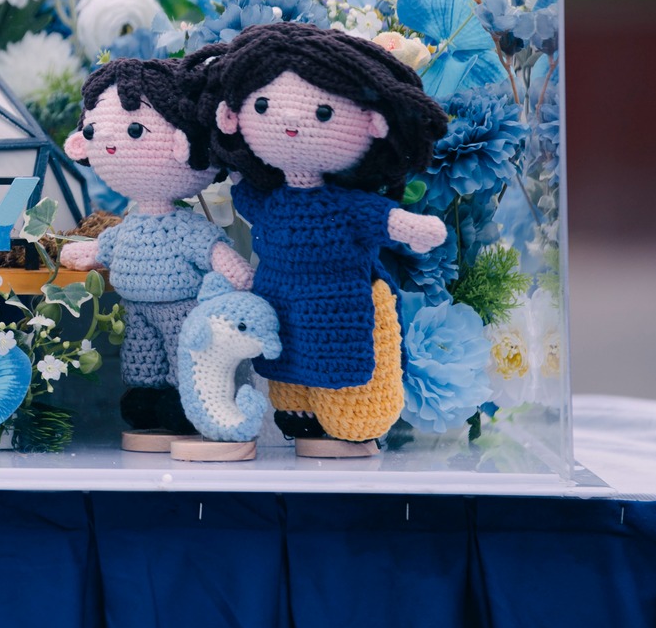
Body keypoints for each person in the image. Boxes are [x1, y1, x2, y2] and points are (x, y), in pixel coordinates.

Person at [203, 22, 448, 449]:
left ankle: (352, 414)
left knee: (341, 359)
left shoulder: (346, 206)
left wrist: (413, 228)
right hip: (279, 301)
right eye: (262, 106)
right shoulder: (270, 199)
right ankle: (298, 409)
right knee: (286, 359)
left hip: (340, 302)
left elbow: (380, 218)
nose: (290, 120)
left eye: (322, 113)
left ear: (373, 124)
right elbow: (246, 199)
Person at [58, 52, 252, 435]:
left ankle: (184, 400)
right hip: (136, 308)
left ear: (185, 143)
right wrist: (86, 253)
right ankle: (145, 397)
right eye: (94, 132)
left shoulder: (184, 227)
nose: (108, 144)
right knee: (140, 357)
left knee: (184, 353)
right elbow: (105, 247)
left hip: (182, 307)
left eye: (135, 131)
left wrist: (237, 273)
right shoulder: (129, 227)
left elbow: (214, 252)